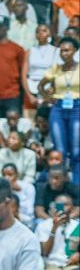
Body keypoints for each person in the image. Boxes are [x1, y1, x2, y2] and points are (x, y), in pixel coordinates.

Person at [38, 38, 80, 179]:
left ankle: (76, 184)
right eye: (61, 51)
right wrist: (48, 98)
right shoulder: (55, 68)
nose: (64, 54)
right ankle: (59, 182)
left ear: (75, 51)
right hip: (58, 108)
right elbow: (40, 86)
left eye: (67, 50)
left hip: (77, 108)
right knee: (60, 150)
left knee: (76, 150)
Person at [36, 195, 79, 270]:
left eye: (66, 205)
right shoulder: (43, 225)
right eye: (59, 205)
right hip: (52, 265)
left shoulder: (77, 226)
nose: (62, 208)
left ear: (72, 208)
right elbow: (45, 252)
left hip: (72, 265)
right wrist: (54, 228)